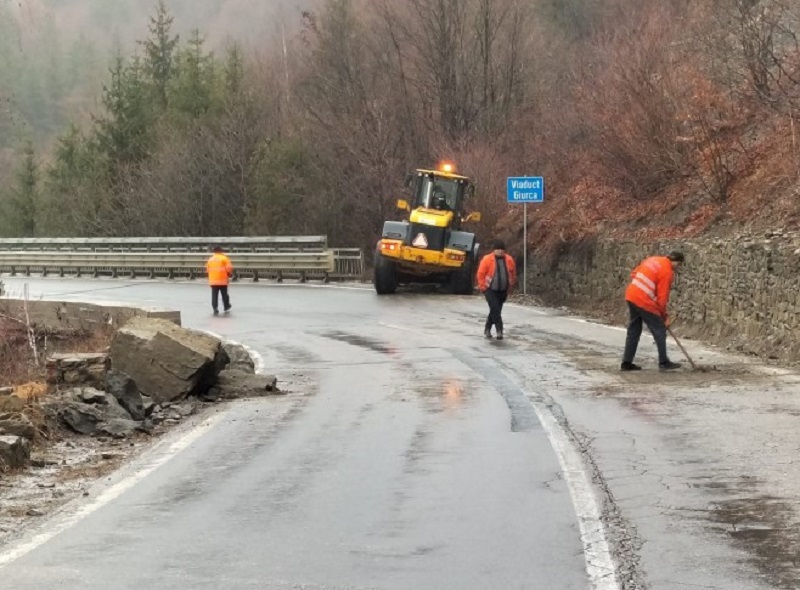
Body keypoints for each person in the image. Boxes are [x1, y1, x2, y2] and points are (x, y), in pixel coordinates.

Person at [621, 251, 685, 371]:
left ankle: (626, 363)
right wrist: (663, 316)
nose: (677, 267)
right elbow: (662, 297)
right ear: (676, 261)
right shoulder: (667, 271)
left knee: (634, 330)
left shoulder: (652, 259)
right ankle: (663, 362)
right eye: (679, 264)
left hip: (631, 294)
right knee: (659, 329)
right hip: (643, 300)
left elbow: (634, 274)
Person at [476, 239, 517, 340]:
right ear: (494, 250)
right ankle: (500, 331)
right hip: (490, 290)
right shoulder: (487, 259)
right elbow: (480, 274)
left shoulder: (509, 260)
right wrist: (483, 288)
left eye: (502, 249)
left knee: (495, 310)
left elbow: (512, 274)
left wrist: (510, 286)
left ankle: (487, 328)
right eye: (498, 249)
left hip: (503, 291)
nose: (500, 251)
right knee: (495, 309)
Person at [206, 245, 233, 315]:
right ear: (221, 250)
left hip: (213, 280)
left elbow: (208, 270)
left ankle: (215, 308)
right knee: (224, 294)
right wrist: (229, 274)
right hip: (222, 279)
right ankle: (226, 306)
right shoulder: (224, 258)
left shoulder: (210, 259)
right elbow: (229, 268)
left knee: (214, 295)